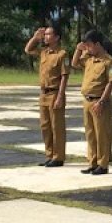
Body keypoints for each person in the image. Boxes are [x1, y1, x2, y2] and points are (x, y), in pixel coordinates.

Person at [72, 30, 112, 175]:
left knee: (101, 134)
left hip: (100, 101)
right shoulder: (89, 58)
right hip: (87, 100)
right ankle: (92, 162)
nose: (88, 48)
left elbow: (110, 83)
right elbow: (74, 64)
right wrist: (78, 50)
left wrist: (102, 101)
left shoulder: (109, 61)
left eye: (89, 45)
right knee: (90, 133)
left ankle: (103, 164)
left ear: (97, 44)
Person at [24, 24, 70, 167]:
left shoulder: (62, 54)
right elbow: (28, 49)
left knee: (57, 127)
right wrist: (35, 37)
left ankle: (58, 157)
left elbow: (64, 76)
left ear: (56, 37)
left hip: (55, 93)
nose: (46, 37)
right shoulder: (44, 52)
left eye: (49, 34)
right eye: (45, 34)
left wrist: (60, 96)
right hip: (43, 94)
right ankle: (49, 154)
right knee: (45, 126)